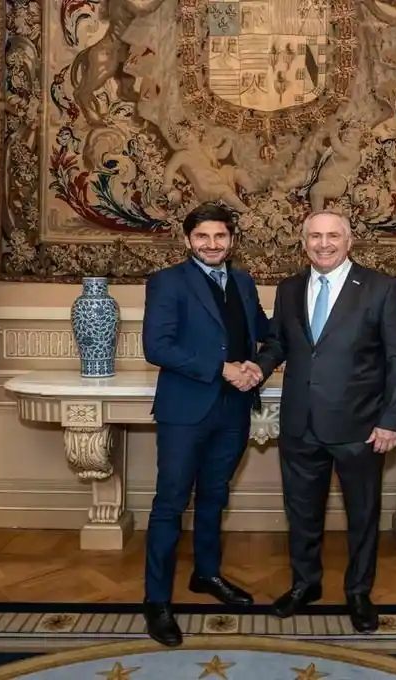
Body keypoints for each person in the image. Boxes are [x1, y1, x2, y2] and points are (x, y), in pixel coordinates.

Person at [241, 210, 396, 633]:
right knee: (301, 513)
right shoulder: (289, 289)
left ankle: (358, 592)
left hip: (361, 427)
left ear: (349, 240)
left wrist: (391, 421)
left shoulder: (380, 289)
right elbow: (279, 343)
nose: (323, 243)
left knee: (362, 515)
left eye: (332, 235)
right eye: (314, 236)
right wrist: (256, 369)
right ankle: (306, 584)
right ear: (303, 243)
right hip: (300, 424)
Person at [141, 202, 270, 647]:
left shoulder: (244, 282)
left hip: (232, 411)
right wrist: (222, 367)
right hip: (184, 411)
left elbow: (265, 333)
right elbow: (156, 346)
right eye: (202, 237)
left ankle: (207, 575)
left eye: (220, 237)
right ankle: (156, 602)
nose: (211, 244)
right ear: (187, 240)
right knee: (170, 504)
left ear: (231, 240)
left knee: (215, 496)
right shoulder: (167, 283)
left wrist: (258, 367)